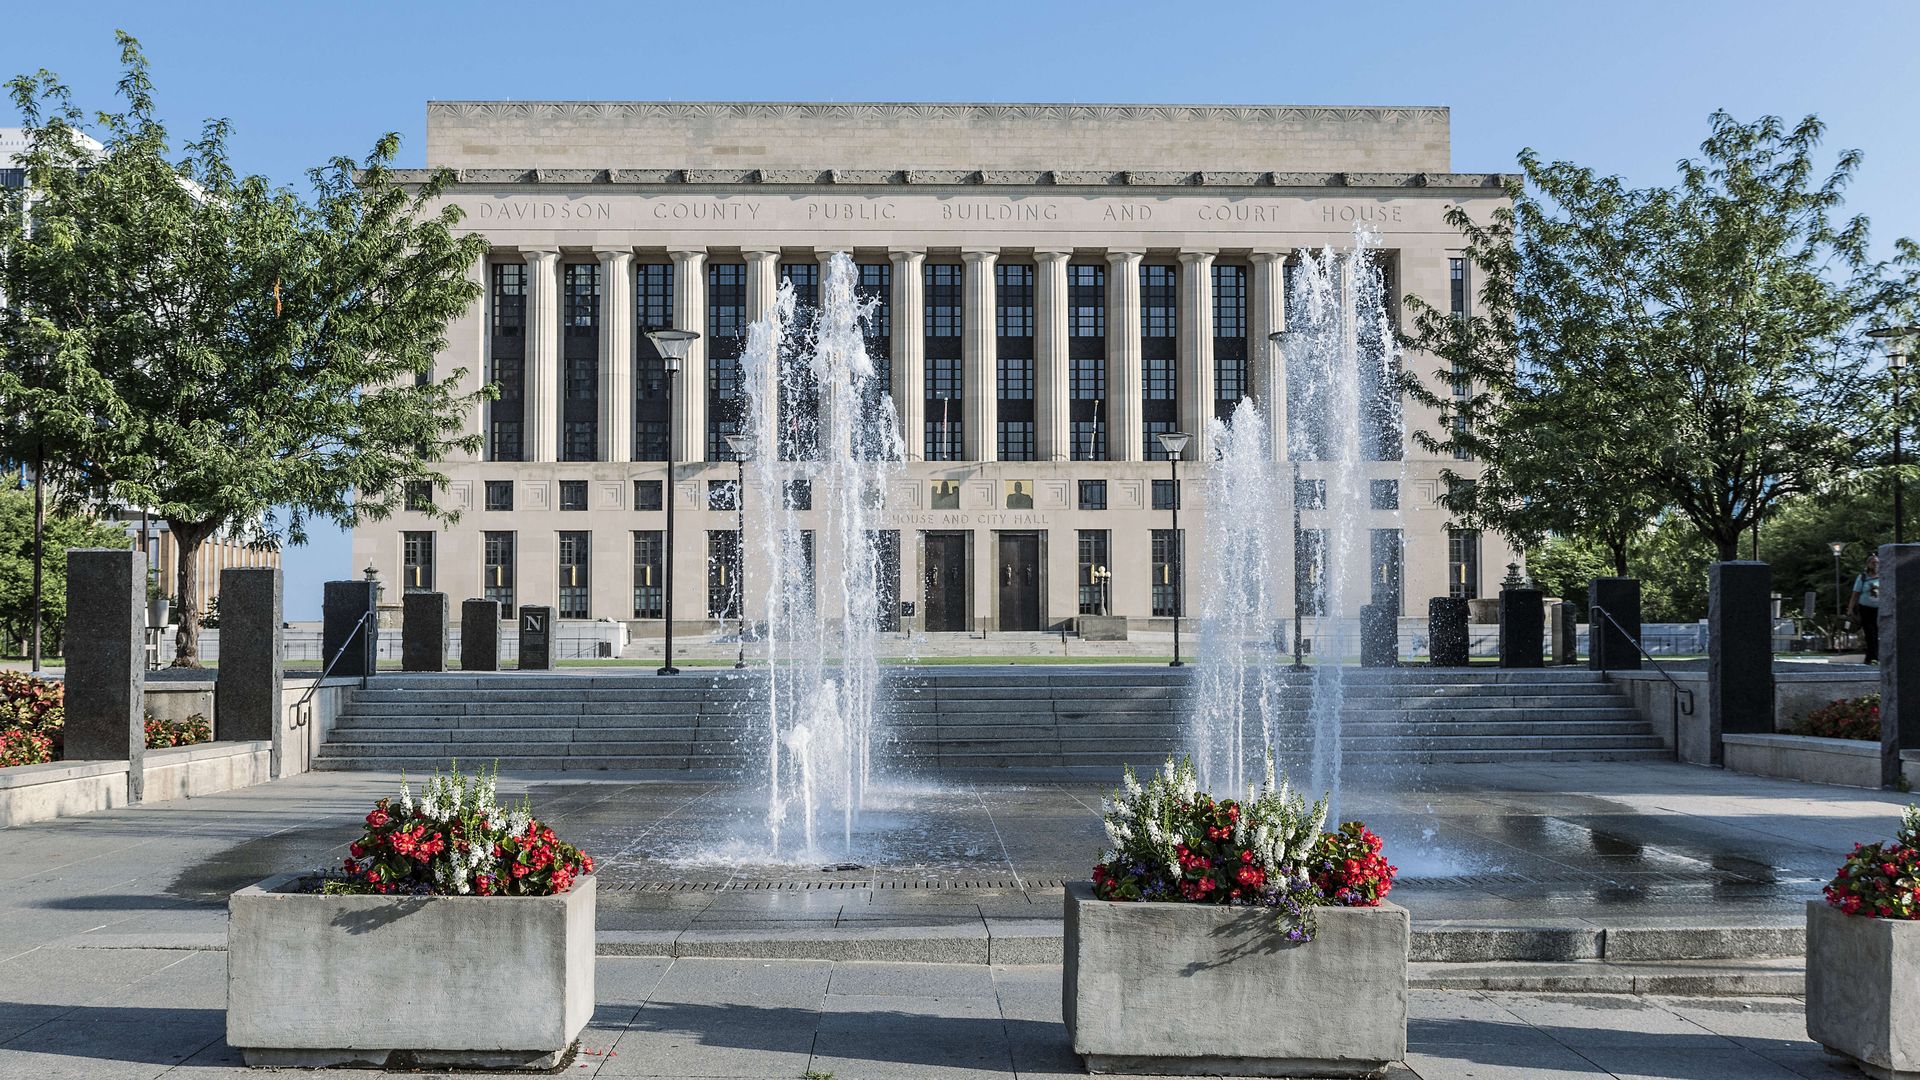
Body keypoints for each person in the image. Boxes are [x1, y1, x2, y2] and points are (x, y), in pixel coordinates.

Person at [1849, 554, 1883, 664]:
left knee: (1877, 633)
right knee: (1870, 633)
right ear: (1868, 564)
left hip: (1879, 609)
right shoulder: (1863, 577)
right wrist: (1850, 609)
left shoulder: (1883, 576)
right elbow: (1855, 594)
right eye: (1873, 562)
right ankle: (1873, 657)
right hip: (1866, 609)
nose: (1876, 564)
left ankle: (1871, 657)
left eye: (1877, 562)